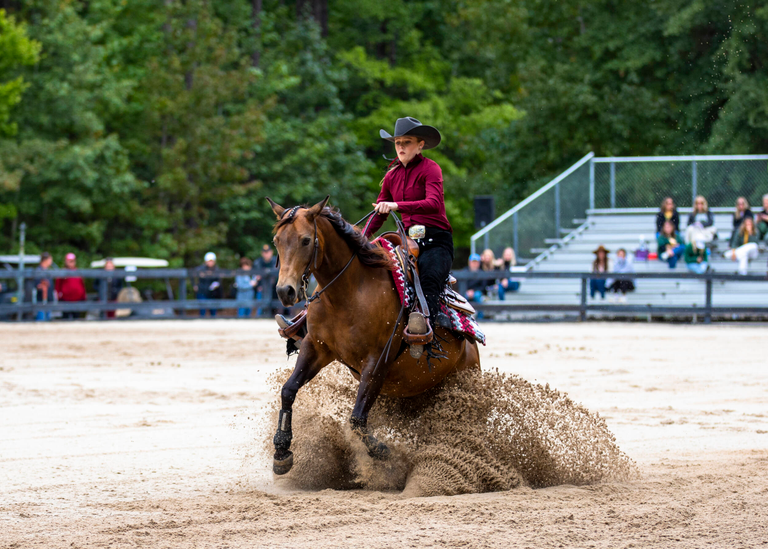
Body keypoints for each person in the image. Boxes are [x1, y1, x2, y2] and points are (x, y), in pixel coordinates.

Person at [363, 117, 452, 358]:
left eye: (407, 142)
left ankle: (427, 337)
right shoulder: (391, 176)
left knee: (430, 277)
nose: (401, 147)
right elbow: (379, 214)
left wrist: (395, 205)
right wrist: (359, 239)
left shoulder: (431, 169)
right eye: (398, 142)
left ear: (420, 144)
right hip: (406, 241)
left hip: (436, 241)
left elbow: (434, 204)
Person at [55, 252, 87, 319]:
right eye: (69, 261)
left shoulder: (78, 272)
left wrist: (83, 296)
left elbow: (82, 285)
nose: (71, 263)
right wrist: (58, 296)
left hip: (77, 300)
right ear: (66, 261)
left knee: (76, 319)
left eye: (72, 261)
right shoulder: (62, 272)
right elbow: (58, 286)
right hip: (65, 300)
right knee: (65, 318)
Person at [193, 252, 221, 317]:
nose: (210, 263)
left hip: (212, 292)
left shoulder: (216, 269)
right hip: (202, 291)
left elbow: (218, 280)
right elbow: (192, 275)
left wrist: (216, 284)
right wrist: (194, 285)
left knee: (213, 310)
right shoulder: (200, 269)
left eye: (212, 261)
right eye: (209, 261)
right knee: (202, 310)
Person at [255, 244, 278, 315]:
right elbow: (256, 276)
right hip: (262, 288)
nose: (266, 254)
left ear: (271, 252)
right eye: (265, 252)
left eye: (268, 252)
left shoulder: (276, 261)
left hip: (276, 288)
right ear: (262, 253)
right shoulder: (258, 262)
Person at [34, 252, 57, 321]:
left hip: (49, 299)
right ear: (46, 260)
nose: (51, 262)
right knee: (41, 320)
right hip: (41, 300)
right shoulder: (39, 271)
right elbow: (37, 286)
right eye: (50, 259)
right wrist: (43, 286)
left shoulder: (48, 271)